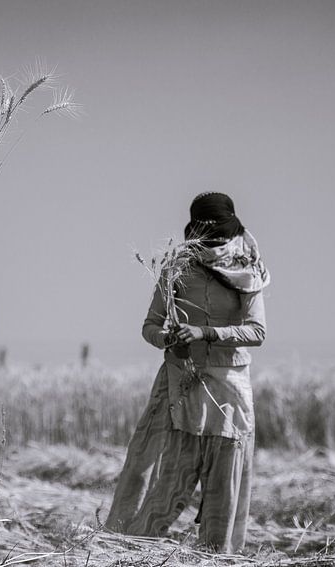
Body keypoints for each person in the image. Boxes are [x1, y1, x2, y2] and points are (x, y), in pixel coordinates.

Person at [105, 192, 269, 553]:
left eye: (219, 235)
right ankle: (129, 550)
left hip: (229, 393)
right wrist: (168, 339)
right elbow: (150, 325)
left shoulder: (248, 268)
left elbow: (257, 332)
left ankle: (217, 556)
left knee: (224, 487)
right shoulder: (178, 266)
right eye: (205, 236)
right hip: (182, 388)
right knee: (167, 480)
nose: (213, 243)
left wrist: (206, 332)